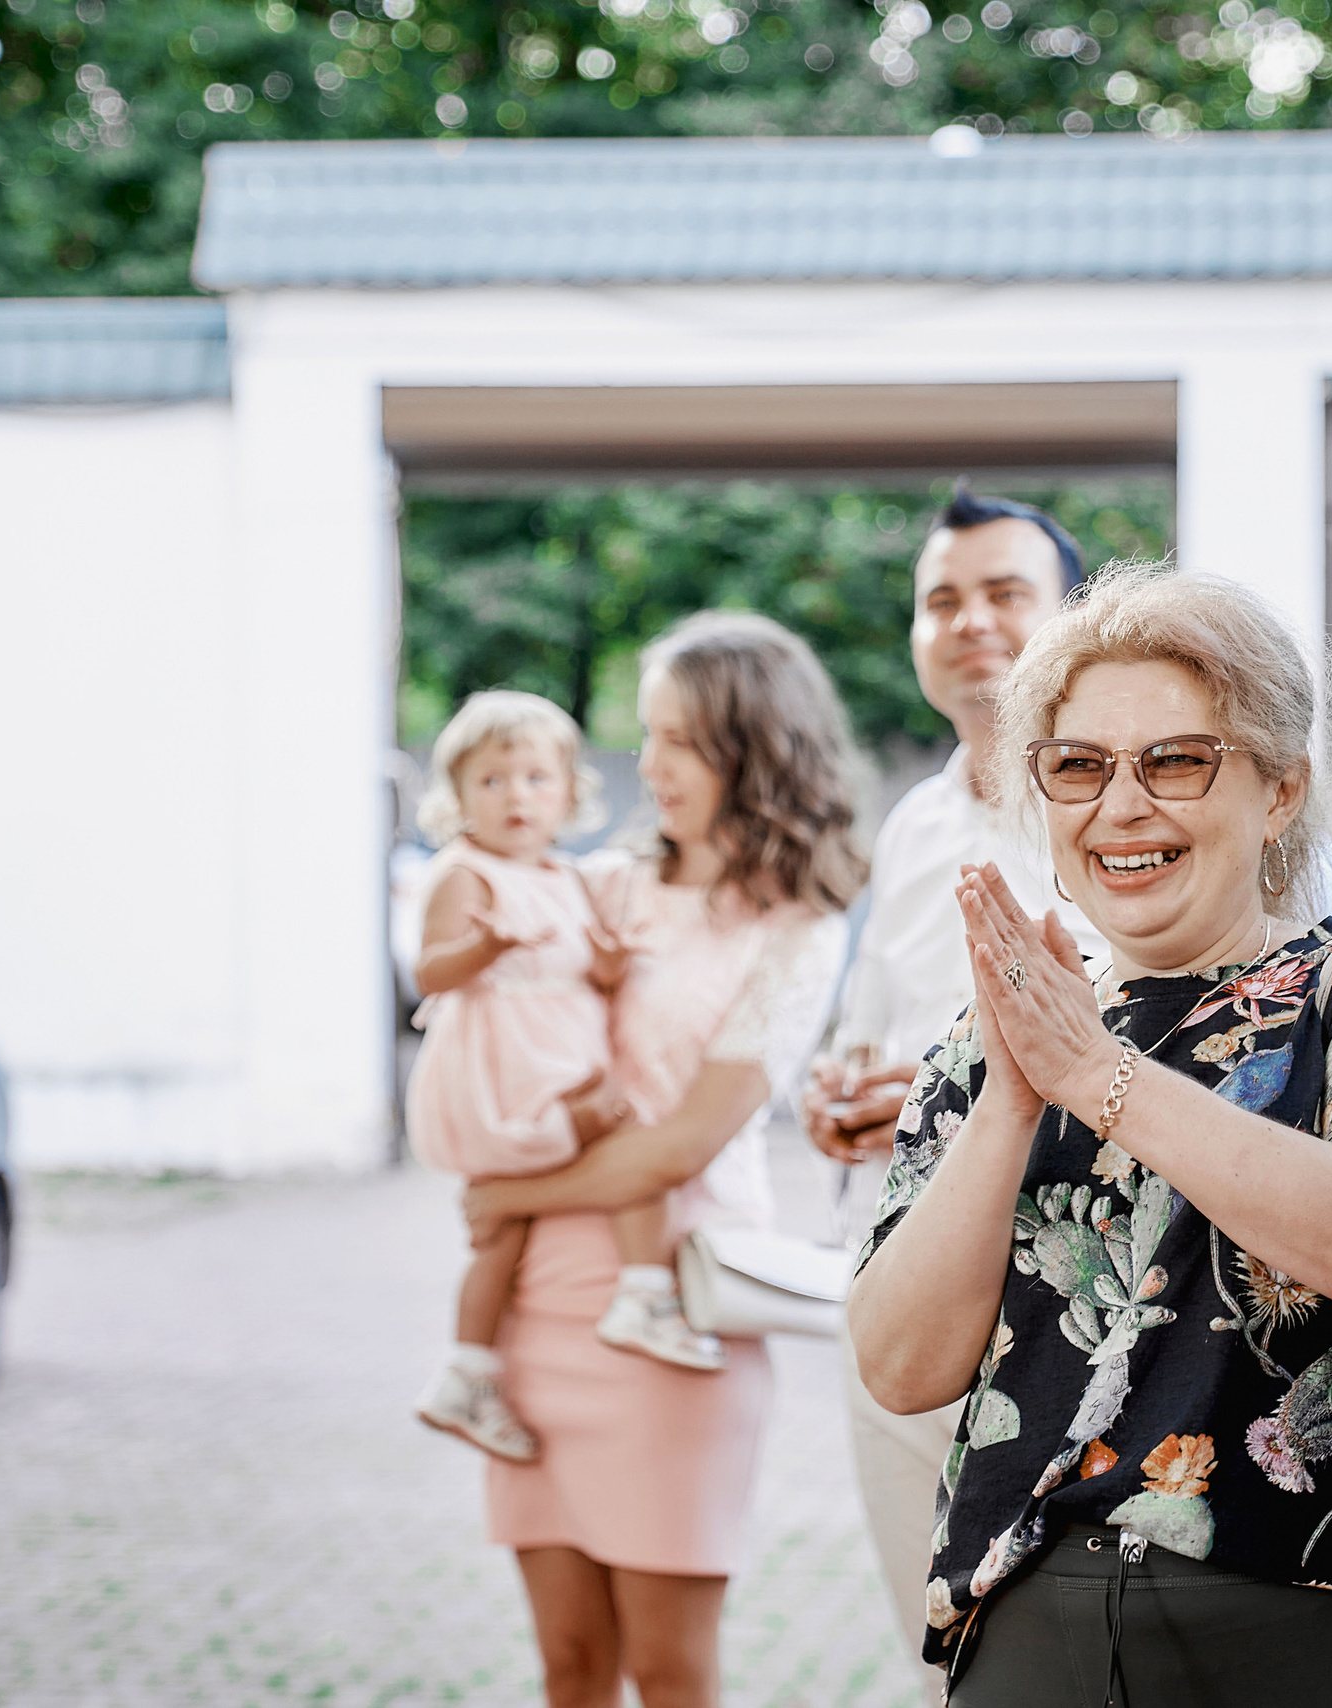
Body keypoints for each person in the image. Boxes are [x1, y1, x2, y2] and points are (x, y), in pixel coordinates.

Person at [850, 565, 1332, 1706]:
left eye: (1177, 760)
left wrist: (1094, 1073)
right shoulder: (997, 1034)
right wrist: (1013, 1095)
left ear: (1280, 791)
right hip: (1034, 1620)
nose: (1122, 805)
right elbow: (900, 1366)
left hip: (1312, 1623)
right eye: (1078, 765)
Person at [455, 613, 861, 1708]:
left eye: (680, 739)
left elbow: (685, 1141)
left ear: (754, 748)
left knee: (671, 1674)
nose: (649, 765)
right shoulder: (601, 887)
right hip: (535, 1308)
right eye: (648, 735)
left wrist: (510, 1191)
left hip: (675, 1321)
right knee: (569, 1669)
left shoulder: (799, 930)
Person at [796, 488, 1107, 1702]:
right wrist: (840, 1096)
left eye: (1003, 592)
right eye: (941, 600)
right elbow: (871, 1024)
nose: (968, 620)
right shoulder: (916, 823)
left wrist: (947, 1103)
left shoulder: (1112, 807)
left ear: (1070, 616)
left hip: (1064, 1294)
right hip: (898, 1283)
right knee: (939, 1651)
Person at [406, 693, 723, 1466]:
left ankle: (466, 1372)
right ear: (458, 796)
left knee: (506, 1231)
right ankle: (643, 1291)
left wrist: (610, 966)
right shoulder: (465, 873)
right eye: (491, 781)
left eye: (535, 779)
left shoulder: (567, 877)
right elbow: (428, 972)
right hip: (509, 1078)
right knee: (629, 1144)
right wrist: (481, 950)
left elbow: (583, 971)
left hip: (559, 1062)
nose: (515, 797)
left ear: (568, 793)